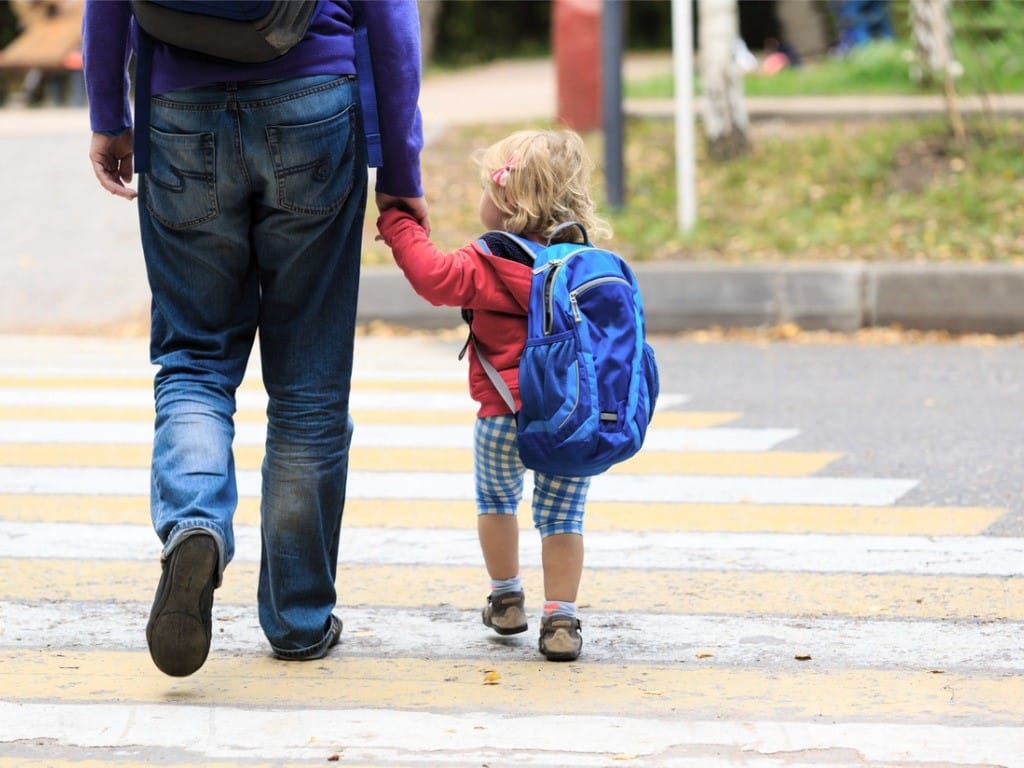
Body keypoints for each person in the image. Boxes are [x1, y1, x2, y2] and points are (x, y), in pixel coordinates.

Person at [82, 0, 427, 677]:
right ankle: (298, 620)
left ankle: (194, 523)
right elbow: (392, 21)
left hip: (179, 107)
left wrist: (108, 115)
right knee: (309, 383)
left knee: (194, 357)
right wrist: (400, 170)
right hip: (314, 103)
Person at [376, 129, 611, 662]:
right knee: (564, 520)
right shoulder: (584, 266)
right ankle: (561, 618)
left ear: (505, 201)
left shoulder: (492, 260)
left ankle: (506, 596)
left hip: (501, 416)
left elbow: (434, 277)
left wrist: (398, 224)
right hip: (570, 419)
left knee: (496, 503)